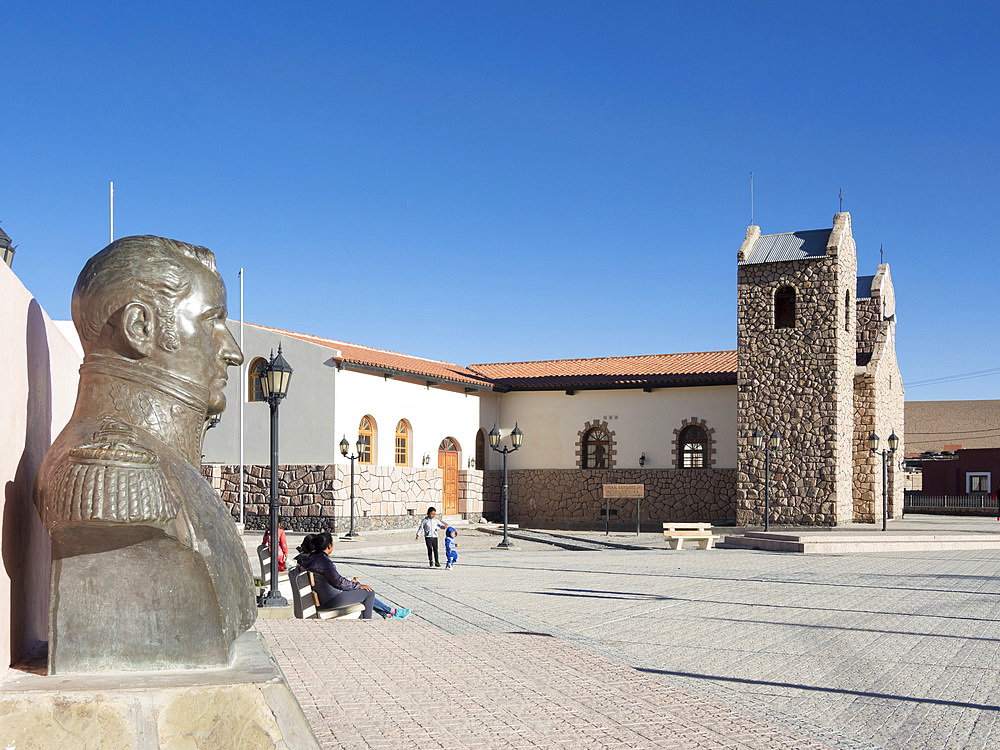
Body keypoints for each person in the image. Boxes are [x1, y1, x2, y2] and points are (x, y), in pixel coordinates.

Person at [34, 235, 254, 673]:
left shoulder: (162, 465)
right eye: (212, 320)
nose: (232, 350)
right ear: (140, 328)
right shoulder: (111, 467)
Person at [295, 533, 410, 620]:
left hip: (325, 597)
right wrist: (357, 585)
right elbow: (339, 583)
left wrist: (354, 585)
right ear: (329, 546)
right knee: (369, 593)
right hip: (332, 599)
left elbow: (336, 580)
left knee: (363, 590)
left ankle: (388, 613)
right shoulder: (324, 561)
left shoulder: (310, 558)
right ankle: (368, 622)